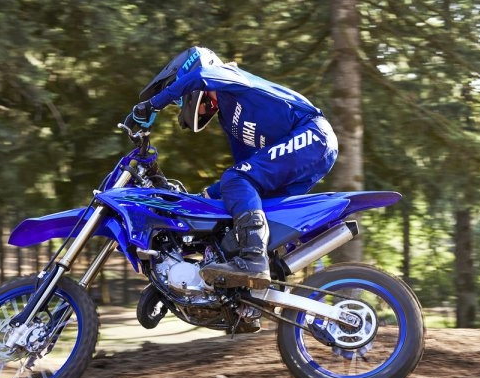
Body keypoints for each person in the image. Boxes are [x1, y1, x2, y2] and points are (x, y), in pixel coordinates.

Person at [121, 46, 338, 291]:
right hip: (308, 152)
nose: (182, 106)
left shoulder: (230, 77)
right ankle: (260, 286)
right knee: (247, 196)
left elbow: (200, 76)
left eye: (180, 98)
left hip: (313, 134)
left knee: (236, 179)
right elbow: (242, 176)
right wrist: (203, 197)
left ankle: (254, 259)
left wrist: (152, 105)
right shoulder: (229, 119)